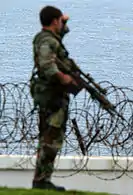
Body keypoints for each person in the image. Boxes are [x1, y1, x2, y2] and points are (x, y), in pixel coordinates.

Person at [29, 5, 79, 191]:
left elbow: (59, 38)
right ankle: (41, 180)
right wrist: (63, 78)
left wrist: (63, 21)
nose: (61, 24)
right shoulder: (47, 41)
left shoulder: (49, 39)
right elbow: (46, 64)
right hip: (52, 96)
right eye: (59, 21)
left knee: (50, 138)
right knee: (50, 140)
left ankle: (43, 178)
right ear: (54, 21)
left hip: (52, 95)